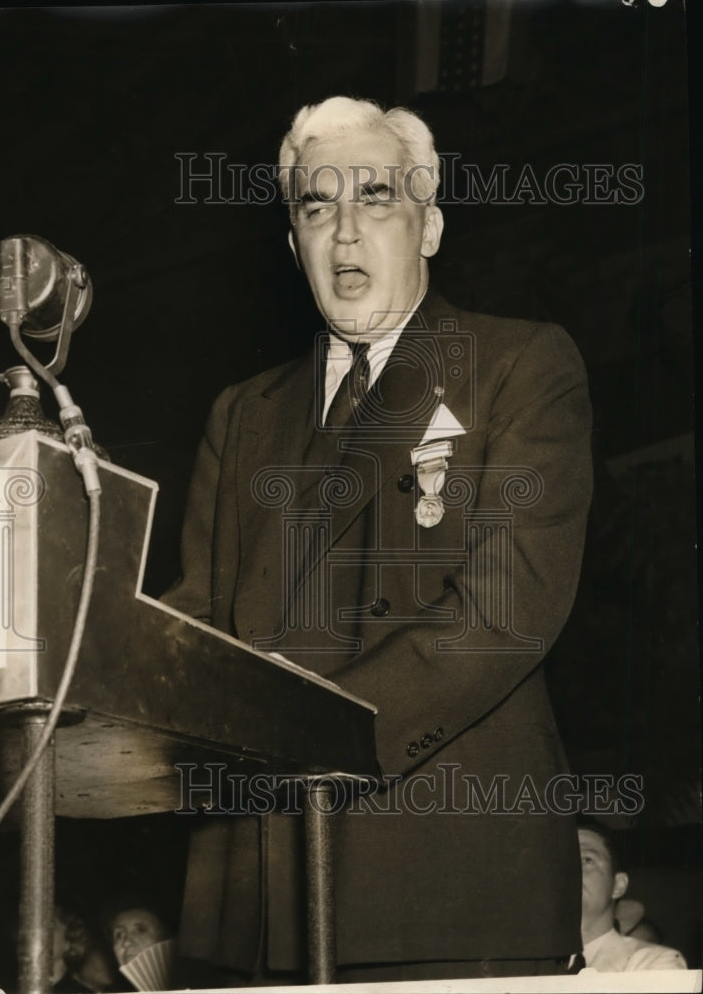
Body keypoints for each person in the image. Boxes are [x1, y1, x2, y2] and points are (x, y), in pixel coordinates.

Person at [163, 95, 593, 982]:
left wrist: (303, 737)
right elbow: (196, 630)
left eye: (376, 199)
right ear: (294, 245)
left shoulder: (520, 366)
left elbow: (505, 614)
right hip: (258, 893)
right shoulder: (240, 414)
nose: (346, 233)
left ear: (429, 226)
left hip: (445, 874)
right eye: (318, 208)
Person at [578, 821, 686, 971]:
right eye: (560, 864)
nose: (569, 872)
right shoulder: (536, 965)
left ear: (618, 885)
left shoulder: (655, 963)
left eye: (586, 860)